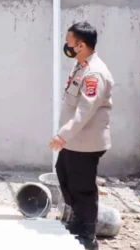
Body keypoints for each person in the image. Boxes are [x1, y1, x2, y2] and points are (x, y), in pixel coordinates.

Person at [49, 22, 113, 250]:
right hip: (73, 140)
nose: (66, 46)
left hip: (85, 142)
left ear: (81, 45)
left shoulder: (95, 73)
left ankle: (88, 235)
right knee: (64, 175)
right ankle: (76, 222)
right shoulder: (81, 66)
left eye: (69, 42)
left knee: (83, 187)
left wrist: (62, 135)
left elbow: (85, 111)